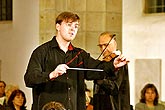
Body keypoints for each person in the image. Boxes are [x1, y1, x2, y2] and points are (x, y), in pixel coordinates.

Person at [24, 11, 129, 110]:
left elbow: (98, 69)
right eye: (69, 25)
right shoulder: (41, 52)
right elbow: (29, 79)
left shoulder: (80, 55)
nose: (72, 29)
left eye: (76, 26)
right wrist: (51, 74)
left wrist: (113, 64)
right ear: (58, 26)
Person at [93, 32, 130, 110]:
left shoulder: (120, 62)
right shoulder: (103, 63)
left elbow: (114, 88)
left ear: (115, 44)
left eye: (106, 45)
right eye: (100, 46)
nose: (103, 49)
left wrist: (97, 77)